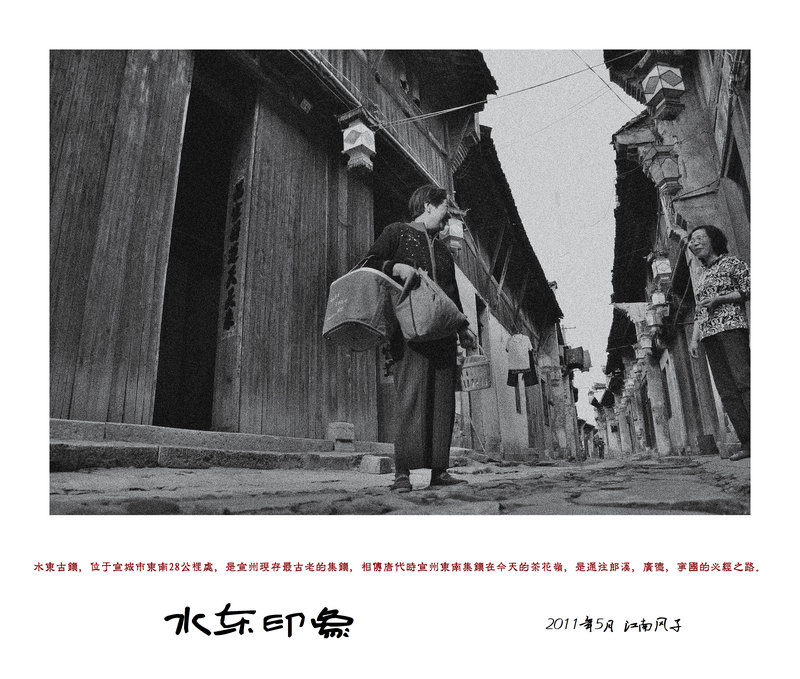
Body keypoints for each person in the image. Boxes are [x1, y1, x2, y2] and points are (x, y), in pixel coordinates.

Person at [364, 185, 477, 492]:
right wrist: (394, 266)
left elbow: (451, 295)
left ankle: (439, 471)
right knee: (410, 399)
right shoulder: (396, 233)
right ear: (428, 205)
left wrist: (463, 328)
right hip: (409, 332)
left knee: (443, 401)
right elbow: (369, 263)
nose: (447, 218)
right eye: (445, 210)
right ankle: (402, 474)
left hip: (443, 334)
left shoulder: (443, 251)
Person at [687, 225, 751, 461]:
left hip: (732, 328)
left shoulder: (732, 263)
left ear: (713, 240)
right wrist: (694, 339)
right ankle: (748, 442)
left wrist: (720, 299)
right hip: (709, 335)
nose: (694, 243)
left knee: (745, 382)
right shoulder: (701, 275)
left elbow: (749, 289)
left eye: (699, 238)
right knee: (726, 391)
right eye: (691, 241)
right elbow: (700, 310)